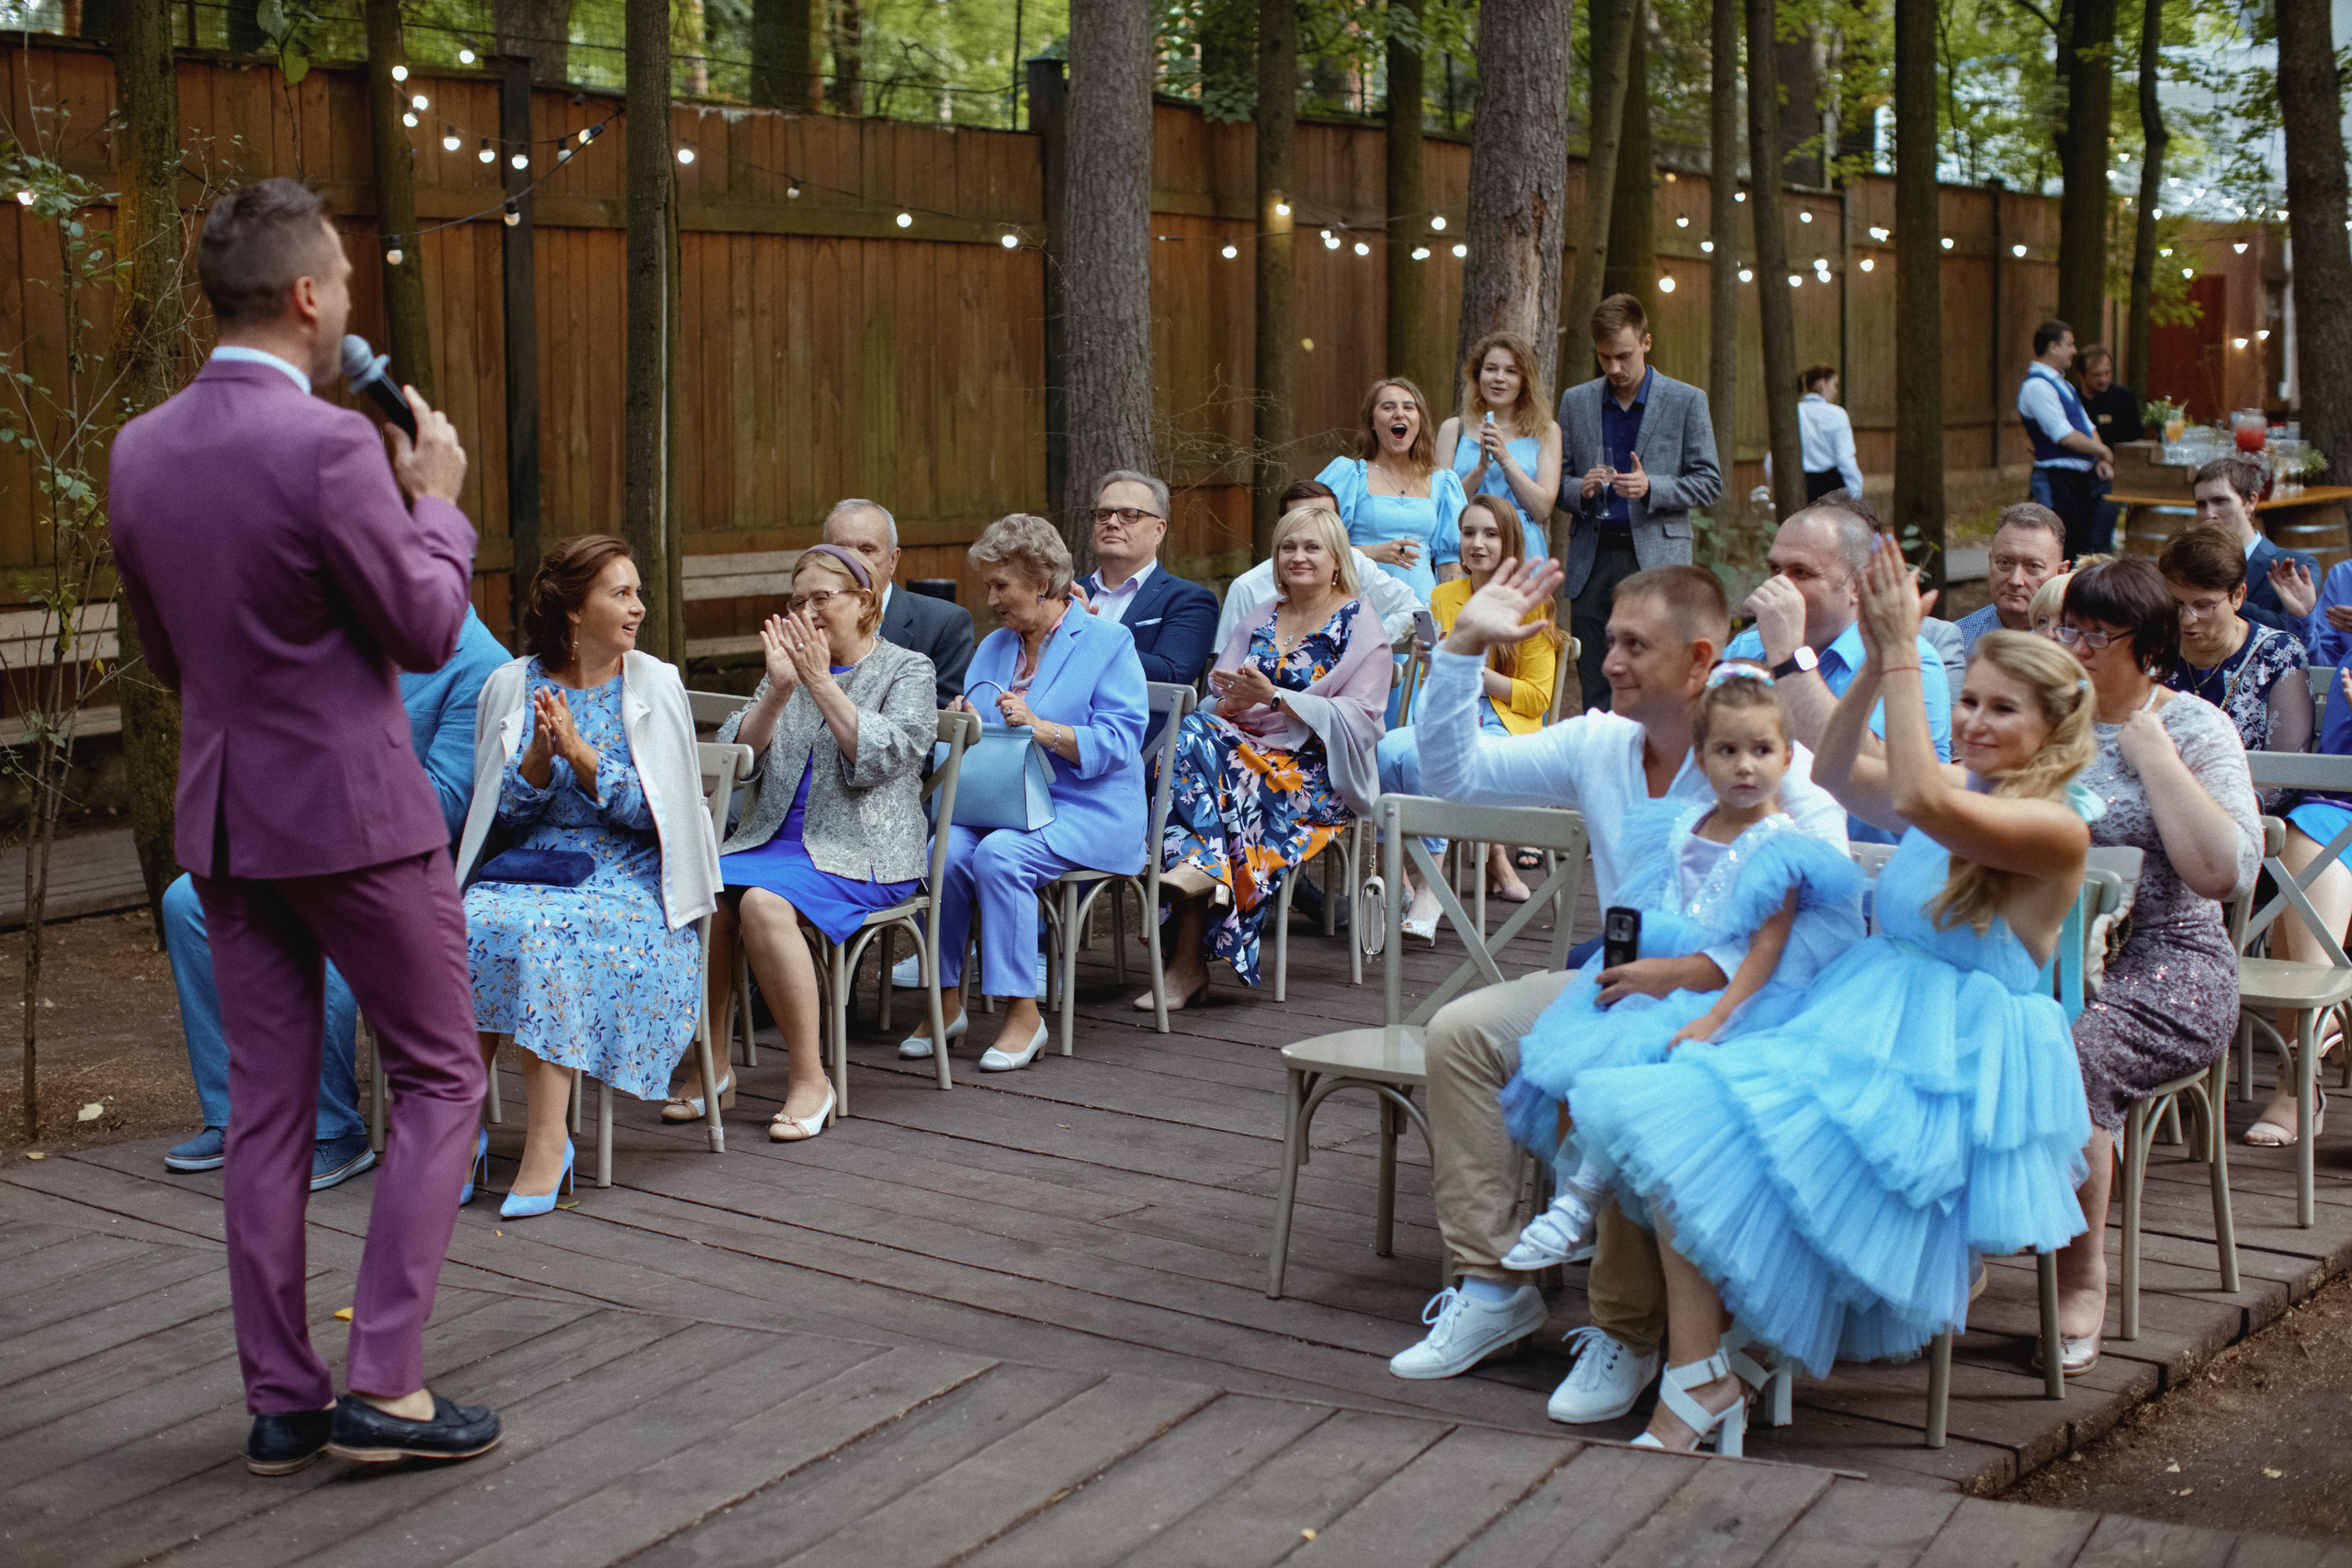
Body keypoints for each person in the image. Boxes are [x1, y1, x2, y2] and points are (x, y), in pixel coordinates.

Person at [108, 178, 500, 1472]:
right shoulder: (335, 445)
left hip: (228, 819)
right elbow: (430, 626)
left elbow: (169, 654)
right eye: (340, 276)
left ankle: (282, 1395)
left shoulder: (141, 447)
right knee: (443, 1072)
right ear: (308, 296)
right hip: (357, 816)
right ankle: (383, 1382)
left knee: (268, 1112)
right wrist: (435, 498)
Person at [1570, 547, 2101, 1450]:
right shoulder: (1959, 786)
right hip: (1867, 1019)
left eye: (1999, 709)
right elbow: (1832, 771)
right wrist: (1841, 659)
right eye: (1965, 700)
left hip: (1951, 1071)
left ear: (2051, 729)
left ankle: (1711, 1372)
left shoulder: (2054, 825)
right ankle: (1709, 1371)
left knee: (1710, 1133)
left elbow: (1910, 790)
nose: (1971, 721)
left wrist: (1899, 652)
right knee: (1675, 1109)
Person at [1387, 560, 1848, 1432]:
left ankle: (1627, 1332)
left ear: (1699, 657)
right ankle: (1493, 1286)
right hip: (1616, 974)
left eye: (1636, 645)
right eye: (1610, 642)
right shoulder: (1598, 743)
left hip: (1738, 1002)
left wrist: (1690, 983)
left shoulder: (1764, 760)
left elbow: (1825, 916)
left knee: (1631, 1084)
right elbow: (1454, 775)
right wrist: (1461, 648)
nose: (1611, 662)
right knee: (1461, 1032)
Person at [1495, 667, 1865, 1272]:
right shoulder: (1682, 824)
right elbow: (1657, 903)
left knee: (1639, 1064)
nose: (1745, 766)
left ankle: (1579, 1202)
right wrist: (1634, 966)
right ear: (1701, 756)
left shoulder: (1782, 844)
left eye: (1762, 750)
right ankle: (1572, 1202)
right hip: (1662, 972)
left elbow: (1764, 951)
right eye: (1727, 750)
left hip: (1729, 993)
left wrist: (1716, 1016)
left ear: (1789, 754)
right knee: (1574, 1054)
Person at [163, 606, 508, 1191]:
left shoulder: (480, 667)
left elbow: (442, 803)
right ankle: (236, 1115)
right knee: (188, 902)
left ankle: (335, 1133)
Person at [456, 536, 721, 1218]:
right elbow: (504, 813)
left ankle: (549, 1141)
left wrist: (584, 757)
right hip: (534, 862)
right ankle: (455, 1133)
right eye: (621, 593)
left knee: (547, 936)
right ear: (575, 609)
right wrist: (540, 761)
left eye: (637, 592)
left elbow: (664, 818)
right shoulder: (511, 684)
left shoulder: (654, 683)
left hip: (631, 877)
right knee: (464, 924)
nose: (638, 606)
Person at [2051, 558, 2259, 1372]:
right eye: (2067, 627)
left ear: (2149, 649)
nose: (2072, 646)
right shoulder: (2042, 717)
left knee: (2071, 1053)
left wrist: (2153, 752)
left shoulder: (2197, 727)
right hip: (2045, 949)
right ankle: (1955, 1252)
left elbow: (2225, 872)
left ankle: (2081, 1271)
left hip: (2171, 963)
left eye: (2094, 635)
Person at [663, 547, 938, 1143]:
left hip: (863, 852)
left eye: (822, 598)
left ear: (864, 602)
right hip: (770, 842)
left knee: (761, 902)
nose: (807, 611)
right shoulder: (787, 669)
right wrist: (781, 690)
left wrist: (820, 682)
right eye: (797, 602)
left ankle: (811, 1078)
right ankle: (712, 1067)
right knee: (703, 891)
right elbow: (740, 756)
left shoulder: (907, 669)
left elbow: (884, 757)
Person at [902, 514, 1148, 1072]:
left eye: (1000, 586)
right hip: (1004, 802)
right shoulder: (994, 647)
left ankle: (1022, 1013)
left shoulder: (1108, 641)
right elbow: (982, 737)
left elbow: (1120, 741)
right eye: (987, 585)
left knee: (1000, 855)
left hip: (1089, 806)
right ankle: (944, 1004)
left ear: (1041, 582)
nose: (989, 599)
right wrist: (958, 719)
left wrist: (1043, 729)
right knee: (936, 851)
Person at [1148, 505, 1387, 1002]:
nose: (1298, 557)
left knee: (1193, 760)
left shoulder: (1359, 624)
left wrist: (1276, 699)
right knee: (1192, 733)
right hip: (1238, 759)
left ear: (1338, 559)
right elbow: (1219, 697)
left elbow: (1363, 720)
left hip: (1312, 777)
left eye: (1311, 547)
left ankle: (1188, 948)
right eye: (1287, 548)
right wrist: (1230, 699)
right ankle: (1201, 879)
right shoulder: (1261, 616)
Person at [1374, 495, 1562, 933]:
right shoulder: (1444, 594)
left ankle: (1432, 885)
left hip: (1503, 725)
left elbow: (1537, 698)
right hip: (1448, 712)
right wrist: (1432, 661)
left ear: (1509, 541)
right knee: (1382, 749)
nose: (1477, 543)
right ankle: (1398, 878)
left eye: (1490, 534)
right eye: (1469, 533)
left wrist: (1473, 672)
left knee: (1427, 759)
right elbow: (1433, 686)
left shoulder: (1532, 602)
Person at [1723, 496, 1952, 842]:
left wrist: (1789, 656)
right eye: (1774, 570)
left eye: (1801, 573)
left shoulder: (1913, 659)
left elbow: (1889, 789)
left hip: (1867, 872)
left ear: (1857, 587)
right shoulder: (1746, 648)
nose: (1779, 587)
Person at [1559, 293, 1723, 714]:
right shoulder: (1576, 401)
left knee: (1659, 678)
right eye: (1604, 357)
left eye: (1623, 356)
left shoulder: (1688, 400)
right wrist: (1581, 488)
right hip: (1592, 560)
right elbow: (1555, 482)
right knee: (1596, 683)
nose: (1614, 368)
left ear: (1646, 343)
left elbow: (1709, 483)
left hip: (1657, 561)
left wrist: (1653, 488)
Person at [2249, 660, 2352, 1146]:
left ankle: (2302, 1065)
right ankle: (2308, 1049)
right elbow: (2331, 771)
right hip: (2343, 810)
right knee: (2305, 831)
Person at [2159, 525, 2312, 757]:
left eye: (2204, 605)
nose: (2188, 620)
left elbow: (2287, 773)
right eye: (2177, 604)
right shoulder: (2153, 649)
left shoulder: (2278, 654)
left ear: (2237, 596)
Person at [1216, 479, 1422, 650]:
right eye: (1299, 520)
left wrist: (1365, 641)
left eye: (1325, 520)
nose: (1312, 527)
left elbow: (1415, 610)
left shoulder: (1355, 564)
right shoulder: (1247, 588)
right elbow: (1224, 664)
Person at [1316, 377, 1468, 604]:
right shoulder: (1349, 475)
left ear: (1419, 421)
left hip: (1422, 606)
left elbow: (1449, 564)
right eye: (1388, 407)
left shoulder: (1443, 482)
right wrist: (1372, 553)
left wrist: (1451, 616)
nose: (1399, 414)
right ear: (1372, 423)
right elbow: (1314, 546)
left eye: (1409, 407)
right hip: (1360, 605)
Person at [1072, 469, 1220, 693]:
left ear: (1158, 531)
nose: (1112, 522)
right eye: (1103, 514)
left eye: (1129, 515)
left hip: (1137, 725)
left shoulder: (1189, 600)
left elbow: (1171, 677)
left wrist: (1088, 631)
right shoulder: (1069, 592)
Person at [823, 498, 976, 707]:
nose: (853, 562)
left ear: (892, 560)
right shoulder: (804, 623)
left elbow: (941, 723)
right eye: (842, 551)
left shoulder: (943, 624)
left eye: (867, 550)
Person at [1435, 333, 1565, 564]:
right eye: (1491, 369)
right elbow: (1441, 506)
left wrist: (1505, 459)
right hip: (1468, 546)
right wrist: (1481, 467)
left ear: (1525, 380)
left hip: (1521, 546)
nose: (1499, 378)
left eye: (1511, 371)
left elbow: (1542, 510)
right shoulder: (1453, 430)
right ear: (1478, 375)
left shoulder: (1546, 431)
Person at [2017, 319, 2115, 560]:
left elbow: (2087, 425)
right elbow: (2063, 435)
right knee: (2060, 546)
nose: (2073, 350)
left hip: (2079, 479)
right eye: (2069, 344)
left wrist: (2100, 457)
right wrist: (2103, 451)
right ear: (2053, 346)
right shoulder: (2037, 386)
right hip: (2055, 478)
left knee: (2079, 544)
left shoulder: (2065, 386)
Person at [2189, 455, 2318, 628]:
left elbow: (2291, 632)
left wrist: (2219, 594)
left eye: (2220, 501)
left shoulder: (2296, 567)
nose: (2210, 514)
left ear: (2250, 502)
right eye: (2201, 505)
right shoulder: (2189, 564)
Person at [1954, 502, 2070, 655]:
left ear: (2060, 573)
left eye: (2033, 566)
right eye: (2005, 563)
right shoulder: (1956, 642)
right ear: (1990, 563)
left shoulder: (2080, 647)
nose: (2015, 580)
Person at [1794, 365, 1865, 502]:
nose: (1835, 391)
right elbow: (1845, 459)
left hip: (1799, 484)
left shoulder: (1794, 413)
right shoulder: (1837, 414)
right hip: (1830, 486)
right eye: (1834, 385)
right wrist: (1856, 494)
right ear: (1822, 383)